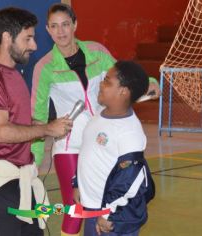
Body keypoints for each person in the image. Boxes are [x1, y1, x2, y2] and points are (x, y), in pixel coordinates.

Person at [30, 3, 159, 236]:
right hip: (69, 145)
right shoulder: (44, 67)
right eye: (54, 26)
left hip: (103, 142)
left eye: (66, 25)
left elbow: (122, 79)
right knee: (75, 209)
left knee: (103, 202)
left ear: (75, 25)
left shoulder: (97, 52)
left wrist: (150, 82)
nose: (61, 32)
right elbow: (38, 117)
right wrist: (34, 161)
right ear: (48, 30)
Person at [0, 7, 72, 236]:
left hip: (21, 179)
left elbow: (16, 121)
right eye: (28, 38)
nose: (34, 45)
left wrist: (43, 126)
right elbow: (3, 132)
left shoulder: (14, 74)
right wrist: (46, 128)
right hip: (2, 186)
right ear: (7, 37)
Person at [77, 61, 155, 236]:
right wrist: (77, 183)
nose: (101, 84)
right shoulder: (99, 116)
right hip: (93, 208)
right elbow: (88, 153)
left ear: (123, 91)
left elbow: (130, 179)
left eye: (107, 81)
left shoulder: (130, 132)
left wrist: (109, 212)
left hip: (113, 217)